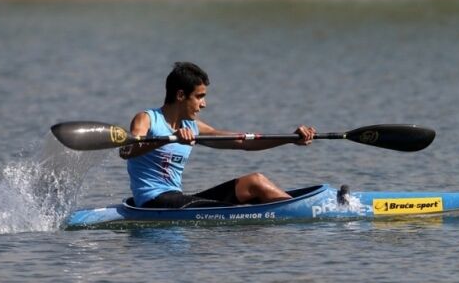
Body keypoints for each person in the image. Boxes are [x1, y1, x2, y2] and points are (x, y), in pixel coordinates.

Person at [119, 61, 316, 208]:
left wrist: (290, 139)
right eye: (199, 97)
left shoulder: (193, 126)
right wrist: (168, 139)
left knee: (255, 182)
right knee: (235, 211)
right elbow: (126, 151)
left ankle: (301, 210)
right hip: (153, 201)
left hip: (176, 199)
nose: (203, 104)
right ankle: (300, 211)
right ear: (180, 95)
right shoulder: (147, 119)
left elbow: (241, 142)